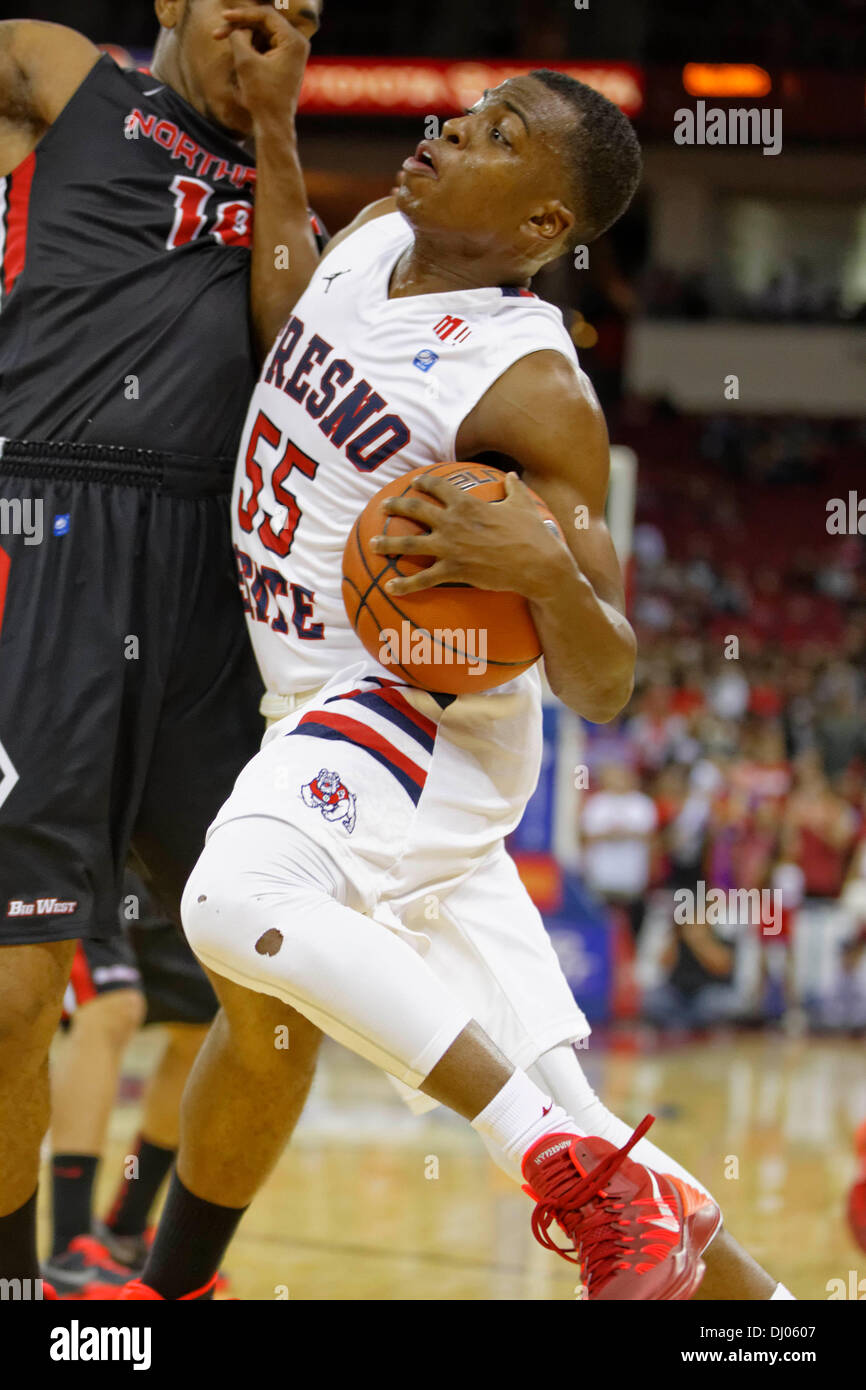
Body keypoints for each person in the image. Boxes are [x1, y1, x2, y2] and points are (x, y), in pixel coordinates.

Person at [122, 64, 792, 1301]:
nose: (446, 134)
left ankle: (554, 1168)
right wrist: (275, 131)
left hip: (413, 707)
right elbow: (287, 314)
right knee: (571, 1091)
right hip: (322, 705)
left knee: (235, 899)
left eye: (494, 136)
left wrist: (543, 567)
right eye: (464, 116)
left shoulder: (530, 383)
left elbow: (605, 677)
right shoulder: (375, 233)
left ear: (543, 223)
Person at [0, 0, 324, 1296]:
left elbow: (291, 342)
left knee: (284, 995)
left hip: (209, 574)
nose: (273, 23)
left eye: (302, 15)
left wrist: (280, 131)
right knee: (18, 994)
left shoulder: (292, 178)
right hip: (45, 529)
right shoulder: (73, 81)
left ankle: (172, 1277)